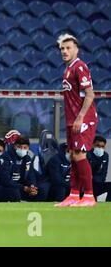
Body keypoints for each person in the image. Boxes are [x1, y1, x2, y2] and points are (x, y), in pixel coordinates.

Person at [56, 34, 98, 207]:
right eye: (62, 49)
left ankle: (89, 196)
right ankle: (74, 195)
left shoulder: (79, 67)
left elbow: (90, 94)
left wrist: (80, 117)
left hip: (83, 118)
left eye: (68, 48)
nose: (65, 51)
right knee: (73, 155)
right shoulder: (67, 69)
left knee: (80, 154)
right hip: (72, 119)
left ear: (76, 49)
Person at [0, 137, 38, 201]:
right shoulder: (6, 157)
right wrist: (24, 188)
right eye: (19, 147)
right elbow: (5, 179)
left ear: (28, 148)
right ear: (15, 146)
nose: (22, 149)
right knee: (15, 192)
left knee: (38, 191)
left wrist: (32, 186)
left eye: (25, 147)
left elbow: (31, 175)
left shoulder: (27, 159)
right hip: (7, 187)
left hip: (22, 187)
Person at [87, 136, 111, 201]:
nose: (100, 148)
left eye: (102, 146)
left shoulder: (105, 155)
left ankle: (108, 204)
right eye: (97, 145)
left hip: (98, 183)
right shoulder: (87, 154)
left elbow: (104, 173)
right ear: (93, 145)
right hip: (87, 186)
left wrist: (97, 180)